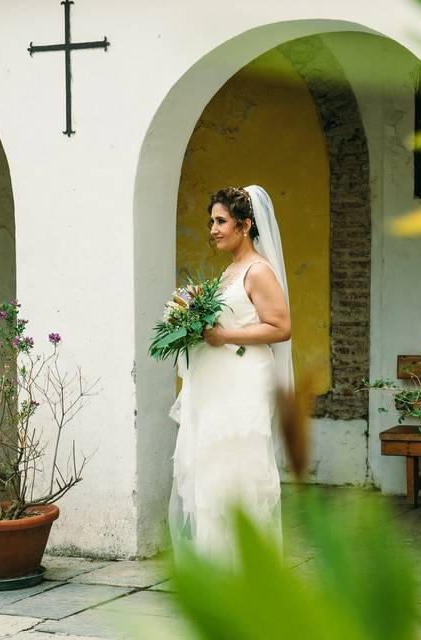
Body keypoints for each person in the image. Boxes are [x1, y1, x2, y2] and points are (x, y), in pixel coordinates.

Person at [168, 185, 293, 565]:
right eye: (211, 221)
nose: (213, 229)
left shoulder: (258, 271)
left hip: (244, 383)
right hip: (218, 384)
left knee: (239, 471)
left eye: (221, 221)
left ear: (245, 225)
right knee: (213, 471)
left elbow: (281, 327)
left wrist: (224, 336)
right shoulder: (229, 272)